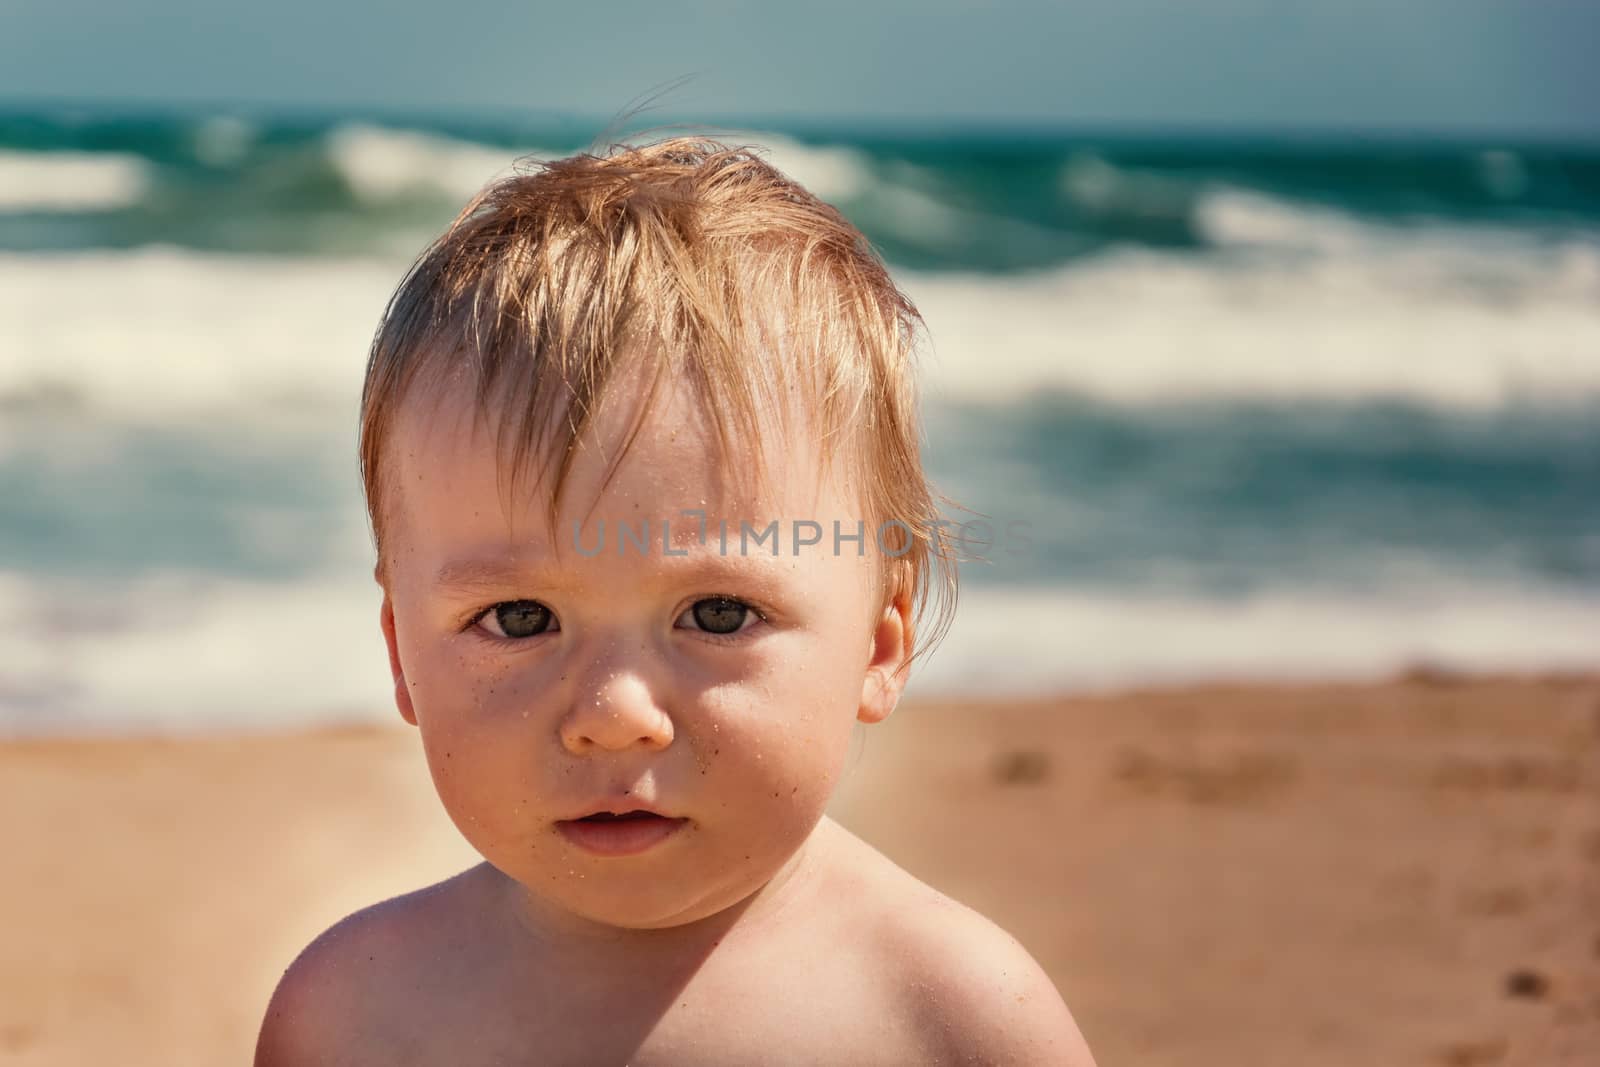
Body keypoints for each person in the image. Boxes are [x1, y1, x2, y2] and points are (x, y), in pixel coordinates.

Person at [254, 135, 1096, 1065]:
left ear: (878, 643)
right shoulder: (355, 1016)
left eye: (719, 613)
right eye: (519, 618)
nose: (614, 716)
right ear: (399, 651)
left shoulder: (952, 1016)